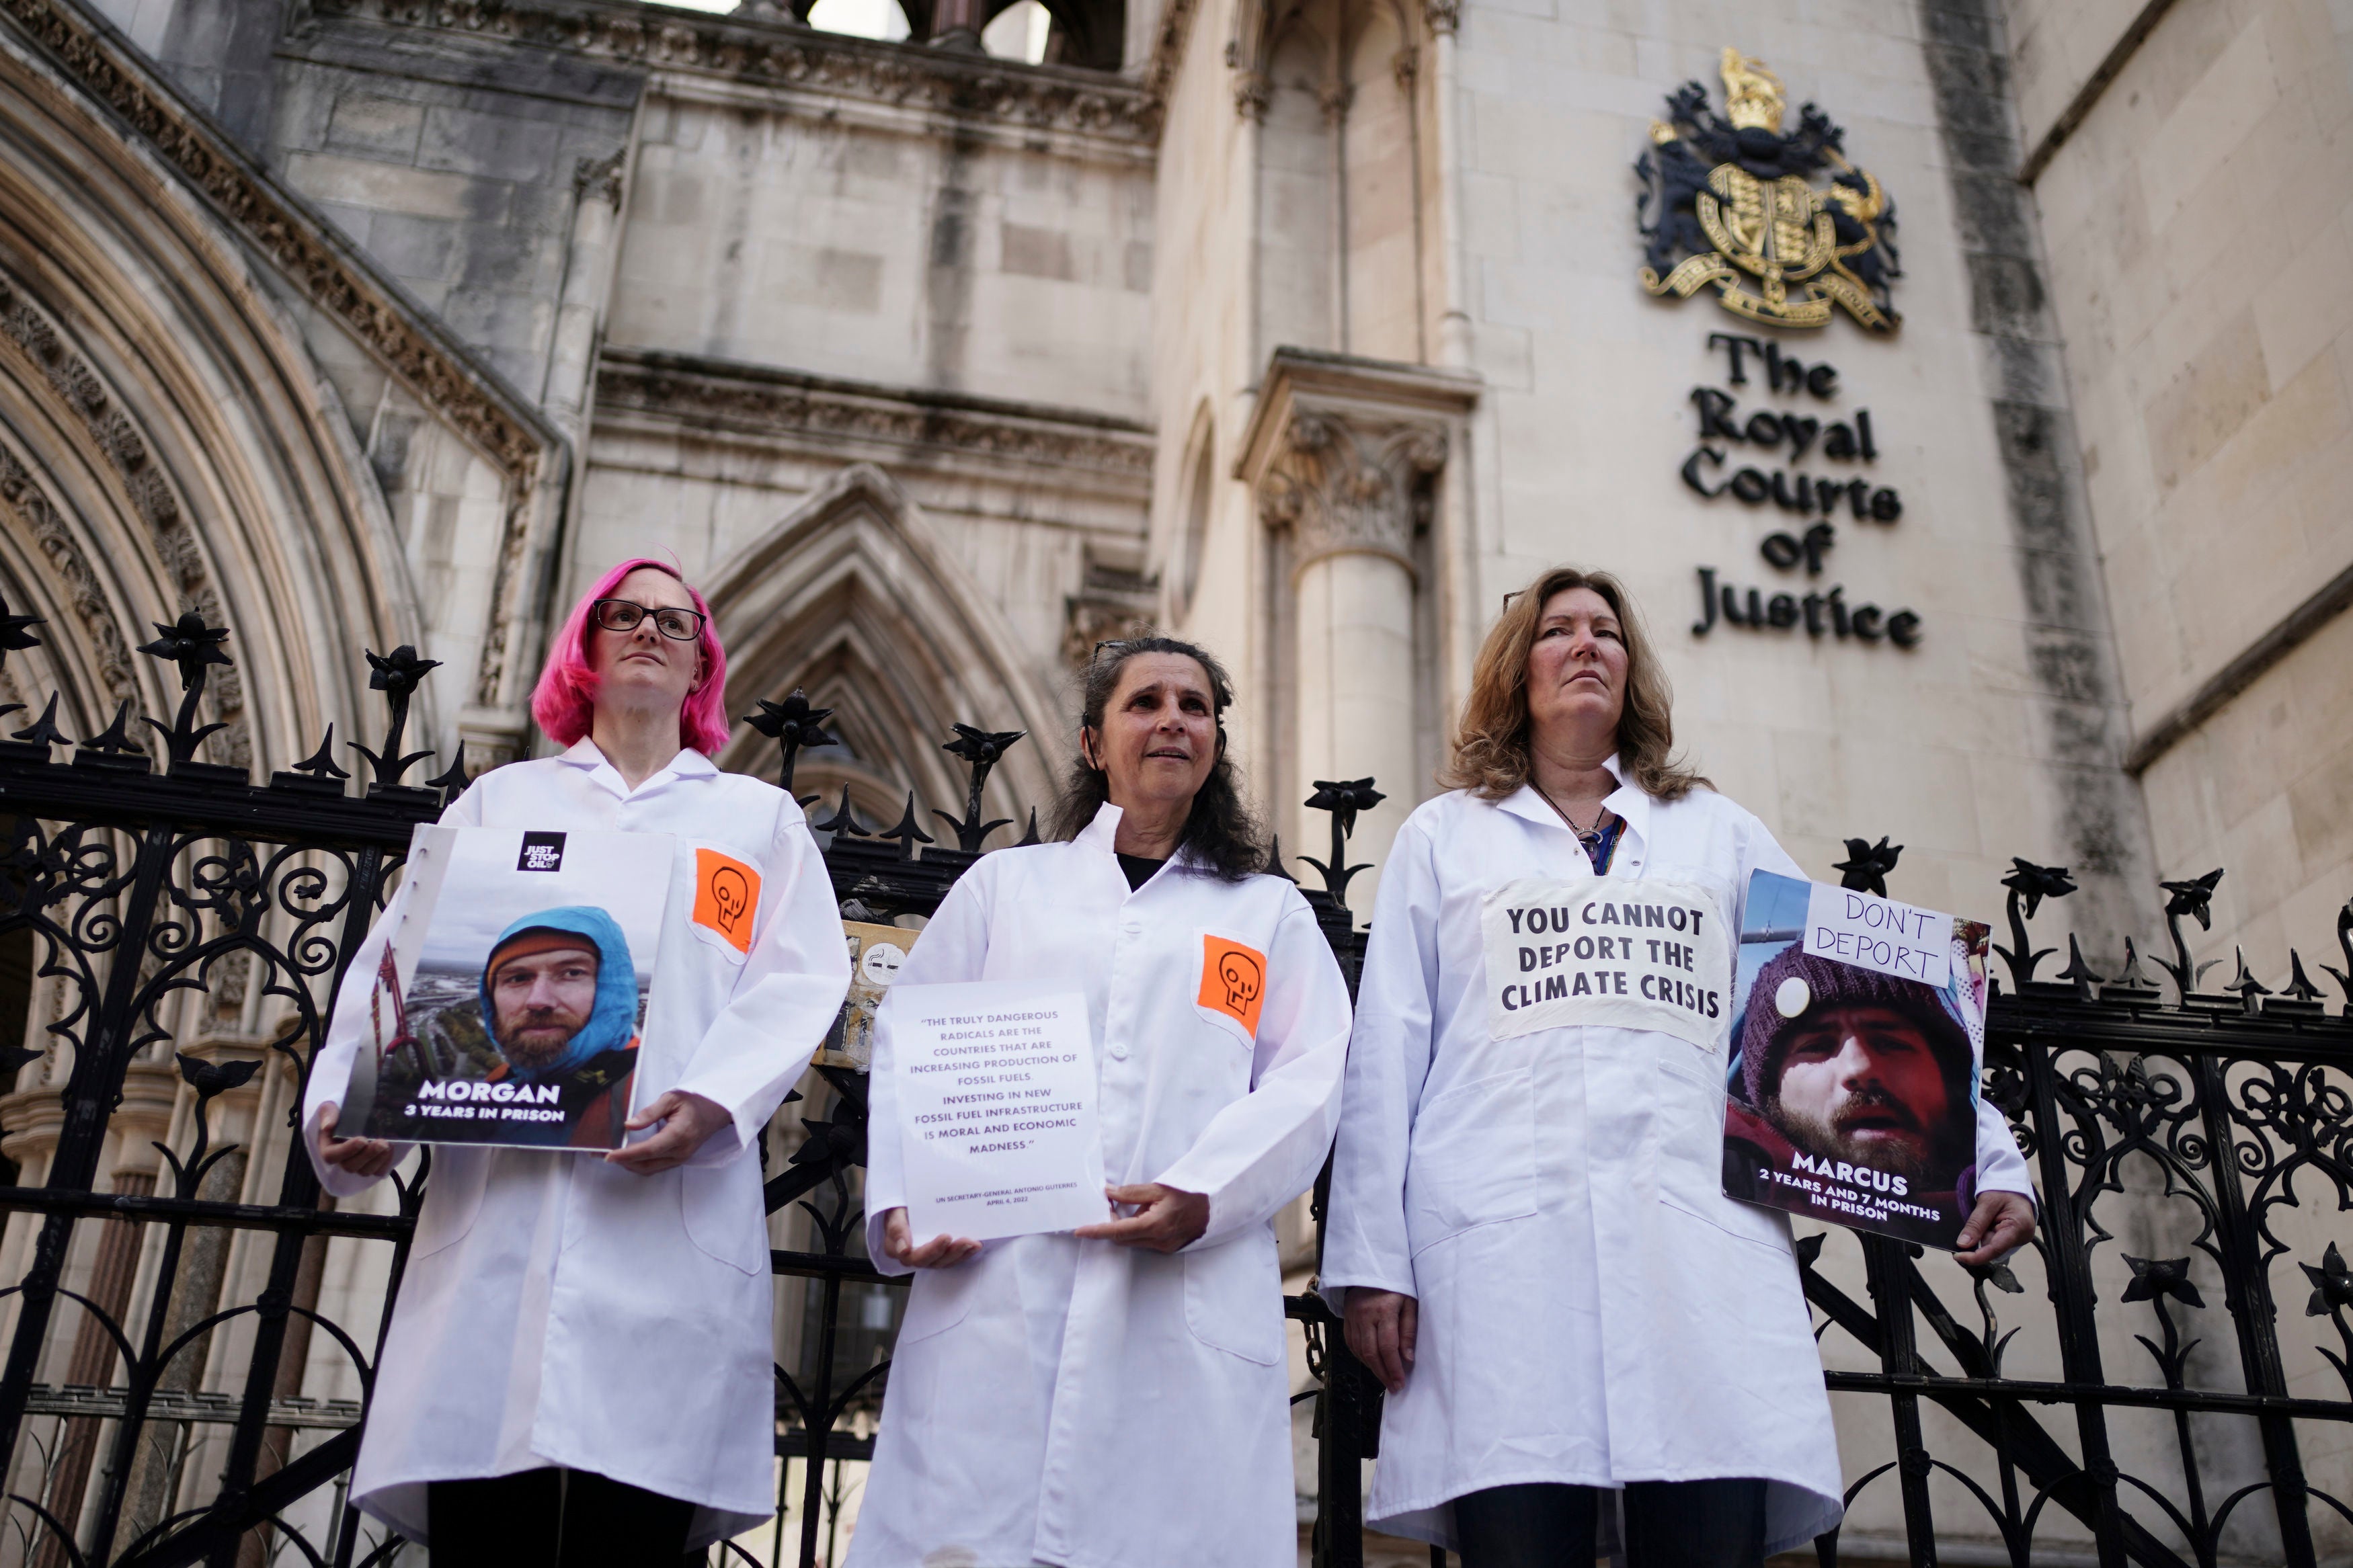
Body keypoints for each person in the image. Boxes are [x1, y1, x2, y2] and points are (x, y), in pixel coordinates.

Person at [1322, 567, 2037, 1568]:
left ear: (1631, 670)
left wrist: (1991, 1159)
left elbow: (1859, 990)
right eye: (1558, 630)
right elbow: (1385, 1055)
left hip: (1694, 1254)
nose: (1586, 646)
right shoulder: (1444, 840)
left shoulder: (1715, 829)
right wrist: (1370, 1268)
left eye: (1606, 632)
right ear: (1514, 672)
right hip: (1501, 1267)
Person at [303, 558, 851, 1564]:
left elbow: (801, 982)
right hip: (498, 1233)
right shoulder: (498, 804)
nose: (648, 630)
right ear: (585, 651)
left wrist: (713, 1100)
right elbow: (397, 964)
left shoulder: (754, 822)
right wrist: (353, 1106)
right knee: (487, 1529)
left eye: (674, 623)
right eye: (623, 614)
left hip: (663, 1228)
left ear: (700, 667)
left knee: (631, 1534)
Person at [846, 637, 1353, 1568]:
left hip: (1180, 1309)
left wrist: (1203, 1191)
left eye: (1195, 706)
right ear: (1092, 743)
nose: (1173, 719)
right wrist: (903, 1204)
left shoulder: (1265, 914)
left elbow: (1314, 1076)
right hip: (1000, 1298)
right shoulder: (1008, 888)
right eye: (1145, 701)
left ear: (1215, 743)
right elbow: (910, 1039)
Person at [1721, 947, 1986, 1246]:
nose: (1860, 1067)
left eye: (1890, 1042)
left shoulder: (2002, 1190)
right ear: (1772, 1096)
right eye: (1817, 1046)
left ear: (1947, 1073)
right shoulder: (1719, 1175)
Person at [475, 908, 642, 1149]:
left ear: (613, 987)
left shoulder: (654, 1090)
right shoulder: (498, 1082)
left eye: (572, 973)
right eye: (518, 978)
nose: (538, 1001)